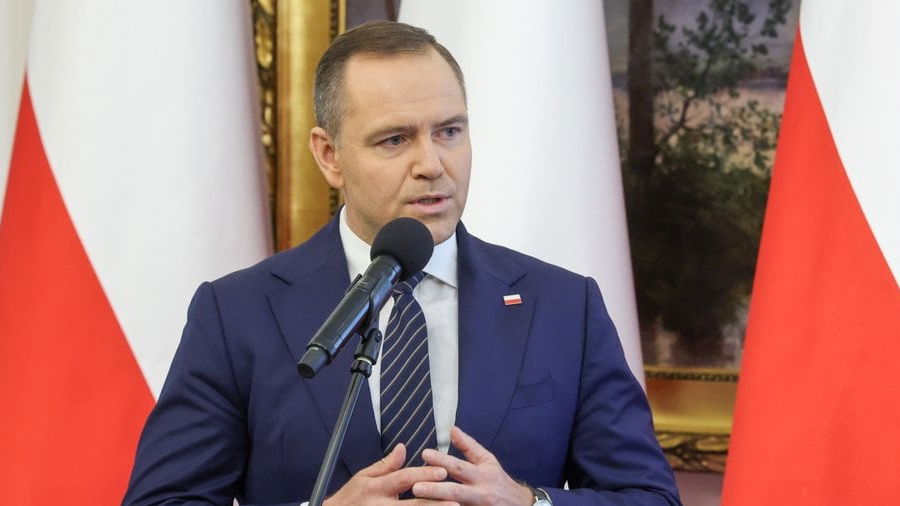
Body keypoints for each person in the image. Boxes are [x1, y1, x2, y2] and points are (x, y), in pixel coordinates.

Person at [123, 21, 681, 506]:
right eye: (394, 140)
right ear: (329, 155)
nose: (432, 164)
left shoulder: (563, 305)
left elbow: (648, 497)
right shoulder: (237, 313)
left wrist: (527, 501)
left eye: (449, 132)